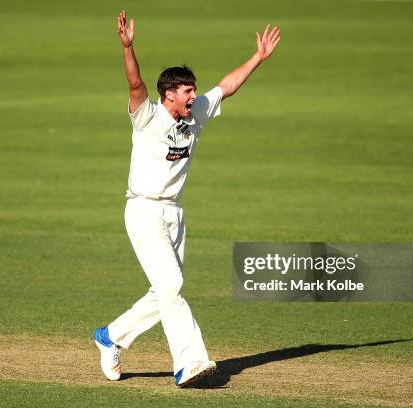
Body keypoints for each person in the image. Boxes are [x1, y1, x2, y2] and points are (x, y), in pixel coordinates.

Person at [94, 10, 281, 387]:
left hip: (174, 213)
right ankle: (190, 362)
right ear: (169, 95)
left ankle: (111, 336)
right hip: (143, 208)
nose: (195, 95)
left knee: (164, 289)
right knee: (171, 286)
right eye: (187, 91)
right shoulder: (147, 116)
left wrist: (257, 58)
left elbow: (227, 86)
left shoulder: (195, 116)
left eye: (194, 90)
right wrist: (128, 48)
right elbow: (135, 83)